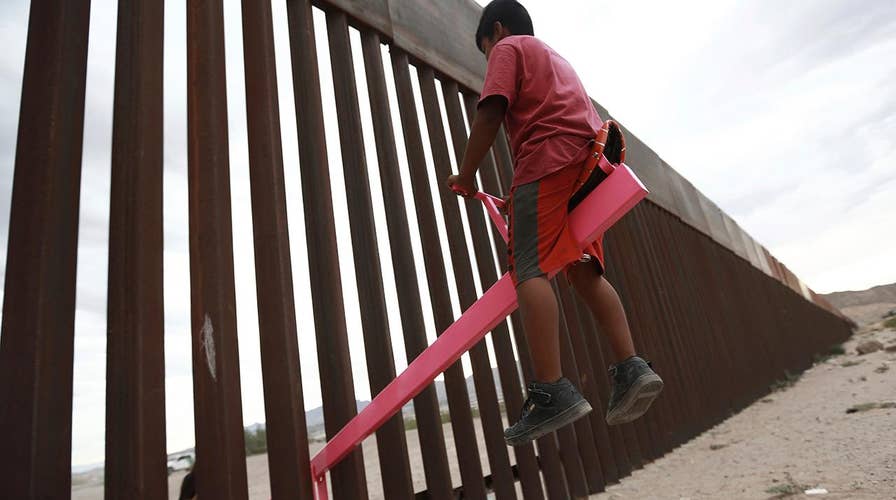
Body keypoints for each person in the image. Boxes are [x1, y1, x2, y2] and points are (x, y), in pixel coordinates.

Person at [446, 0, 664, 446]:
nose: (490, 58)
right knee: (583, 270)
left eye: (485, 48)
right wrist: (517, 200)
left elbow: (491, 111)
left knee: (529, 268)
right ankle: (631, 368)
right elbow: (560, 119)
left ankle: (551, 390)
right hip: (588, 168)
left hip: (546, 158)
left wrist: (466, 175)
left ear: (497, 30)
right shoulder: (556, 59)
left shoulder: (509, 48)